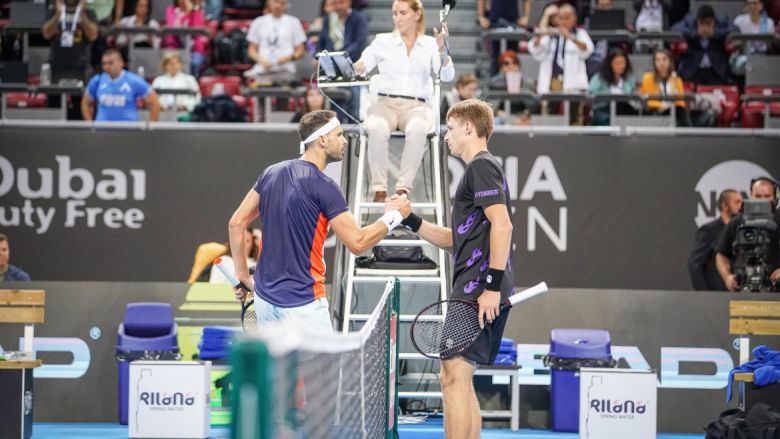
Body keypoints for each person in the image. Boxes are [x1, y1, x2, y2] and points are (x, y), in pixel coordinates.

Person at [391, 99, 514, 439]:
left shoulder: (481, 166)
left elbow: (503, 225)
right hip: (478, 287)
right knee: (460, 375)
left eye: (451, 128)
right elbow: (456, 239)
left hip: (478, 289)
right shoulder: (481, 170)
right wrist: (410, 220)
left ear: (469, 128)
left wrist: (491, 287)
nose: (446, 136)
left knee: (452, 375)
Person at [227, 110, 408, 331]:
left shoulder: (270, 173)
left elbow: (236, 223)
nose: (344, 141)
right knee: (325, 358)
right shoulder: (325, 186)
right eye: (339, 134)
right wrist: (394, 216)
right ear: (322, 140)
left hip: (265, 302)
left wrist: (243, 276)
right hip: (305, 305)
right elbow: (358, 242)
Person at [354, 0, 454, 202]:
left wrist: (443, 51)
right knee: (375, 126)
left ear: (417, 15)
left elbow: (446, 76)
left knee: (418, 129)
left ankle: (402, 190)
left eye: (403, 13)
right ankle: (379, 190)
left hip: (417, 106)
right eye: (394, 13)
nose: (397, 18)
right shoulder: (382, 41)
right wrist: (359, 66)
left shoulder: (430, 44)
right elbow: (363, 64)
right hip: (385, 104)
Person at [528, 3, 593, 124]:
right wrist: (542, 34)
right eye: (560, 18)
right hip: (552, 81)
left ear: (574, 19)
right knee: (549, 117)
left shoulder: (580, 33)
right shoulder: (550, 34)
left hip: (573, 84)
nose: (563, 22)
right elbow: (535, 50)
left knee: (574, 118)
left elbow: (587, 50)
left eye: (566, 18)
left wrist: (570, 37)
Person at [716, 177, 780, 292]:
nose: (762, 200)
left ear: (775, 198)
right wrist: (727, 277)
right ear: (751, 195)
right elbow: (721, 254)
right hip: (742, 288)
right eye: (758, 196)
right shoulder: (736, 222)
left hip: (775, 290)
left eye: (766, 196)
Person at [81, 49, 160, 121]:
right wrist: (90, 125)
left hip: (127, 129)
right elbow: (85, 103)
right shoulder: (97, 80)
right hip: (102, 129)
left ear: (121, 62)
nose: (107, 67)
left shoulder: (133, 80)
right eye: (104, 63)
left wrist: (150, 127)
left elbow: (155, 103)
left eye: (111, 63)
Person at [688, 189, 743, 291]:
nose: (741, 206)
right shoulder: (709, 230)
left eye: (742, 202)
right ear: (724, 206)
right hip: (717, 294)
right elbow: (695, 264)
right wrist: (705, 294)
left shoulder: (742, 230)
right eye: (737, 202)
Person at [671, 4, 737, 85]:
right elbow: (674, 29)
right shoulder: (690, 21)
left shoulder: (722, 21)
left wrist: (715, 33)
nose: (705, 27)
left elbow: (735, 30)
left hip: (716, 70)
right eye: (702, 23)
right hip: (693, 69)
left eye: (708, 23)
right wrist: (695, 33)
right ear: (697, 21)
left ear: (714, 21)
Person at [244, 0, 307, 83]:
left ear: (286, 4)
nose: (278, 6)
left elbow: (300, 51)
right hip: (262, 71)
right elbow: (251, 50)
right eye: (276, 2)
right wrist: (260, 59)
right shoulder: (258, 22)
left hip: (286, 71)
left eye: (282, 3)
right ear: (269, 2)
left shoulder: (293, 22)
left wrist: (289, 58)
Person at [41, 0, 99, 83]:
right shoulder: (54, 12)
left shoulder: (89, 13)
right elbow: (46, 35)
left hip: (81, 65)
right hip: (56, 64)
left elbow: (93, 36)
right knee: (55, 90)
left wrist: (82, 12)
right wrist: (58, 14)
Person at [640, 47, 690, 126]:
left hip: (673, 110)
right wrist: (662, 105)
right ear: (654, 63)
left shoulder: (677, 80)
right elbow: (647, 101)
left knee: (679, 111)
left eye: (664, 59)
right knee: (678, 113)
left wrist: (672, 102)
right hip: (655, 111)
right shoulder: (647, 78)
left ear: (670, 61)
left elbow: (681, 103)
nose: (661, 63)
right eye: (658, 60)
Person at [587, 48, 637, 126]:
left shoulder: (629, 78)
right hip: (603, 110)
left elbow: (634, 94)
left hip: (624, 111)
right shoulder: (599, 77)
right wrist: (609, 95)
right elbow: (590, 94)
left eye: (622, 63)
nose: (620, 66)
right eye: (616, 63)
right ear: (610, 64)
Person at [488, 50, 536, 125]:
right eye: (506, 63)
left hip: (522, 118)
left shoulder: (528, 83)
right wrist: (498, 112)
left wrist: (527, 113)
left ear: (518, 65)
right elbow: (487, 104)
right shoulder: (494, 83)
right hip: (500, 117)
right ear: (501, 67)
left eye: (514, 63)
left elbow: (534, 105)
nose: (511, 66)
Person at [163, 0, 207, 76]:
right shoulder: (171, 10)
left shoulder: (197, 11)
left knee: (194, 62)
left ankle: (192, 82)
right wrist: (186, 13)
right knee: (168, 60)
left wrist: (190, 12)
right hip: (174, 47)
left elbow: (195, 33)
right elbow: (173, 28)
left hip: (193, 49)